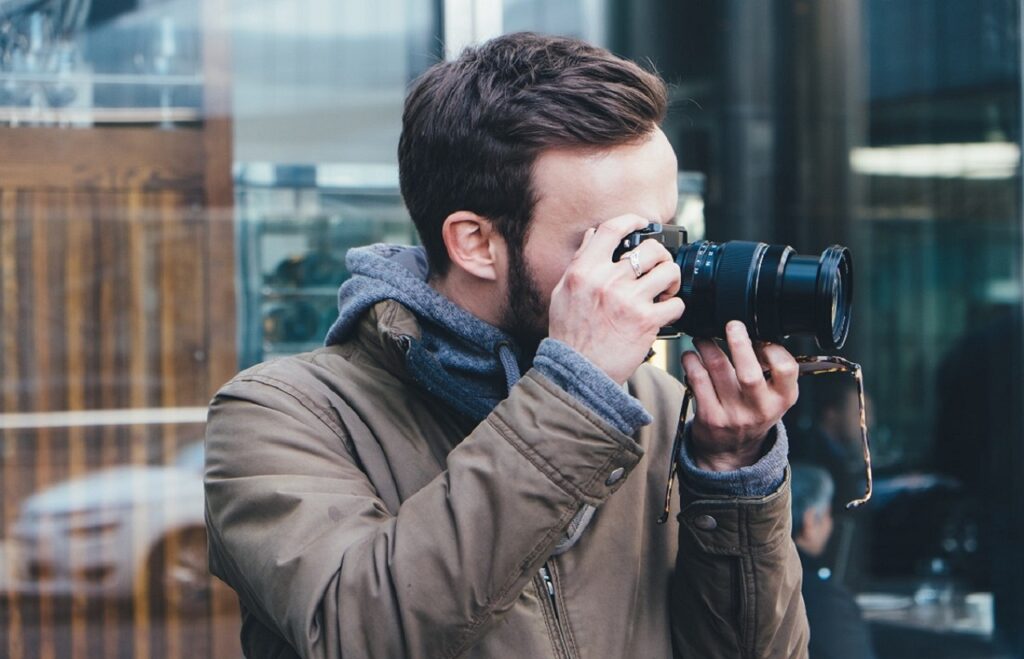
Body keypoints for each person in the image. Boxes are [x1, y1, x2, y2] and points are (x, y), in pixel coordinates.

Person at [204, 33, 808, 658]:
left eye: (668, 232)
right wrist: (575, 398)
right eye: (619, 244)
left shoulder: (652, 402)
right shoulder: (281, 415)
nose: (661, 269)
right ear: (474, 243)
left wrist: (732, 475)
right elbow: (359, 634)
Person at [791, 464, 876, 659]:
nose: (830, 526)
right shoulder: (825, 602)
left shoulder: (745, 579)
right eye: (828, 515)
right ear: (810, 521)